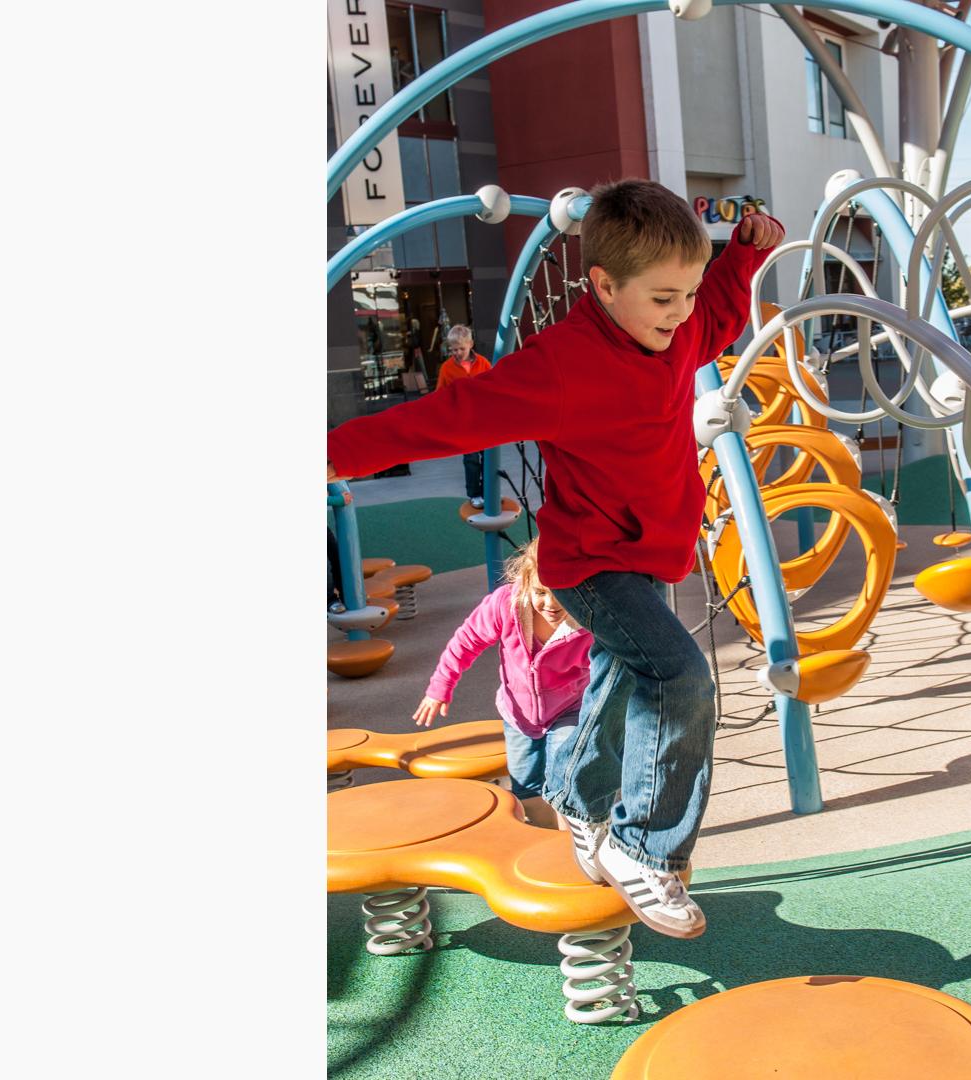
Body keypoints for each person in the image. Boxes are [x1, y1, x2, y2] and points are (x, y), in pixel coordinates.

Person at [329, 178, 785, 939]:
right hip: (587, 566)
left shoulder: (678, 329)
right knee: (679, 679)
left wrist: (739, 259)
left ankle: (577, 801)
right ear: (604, 286)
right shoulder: (562, 367)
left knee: (619, 681)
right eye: (663, 297)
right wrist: (335, 455)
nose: (679, 315)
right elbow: (447, 419)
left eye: (687, 292)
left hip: (651, 553)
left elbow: (718, 316)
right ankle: (643, 847)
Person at [413, 538, 590, 829]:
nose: (551, 603)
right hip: (517, 713)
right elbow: (465, 642)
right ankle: (540, 836)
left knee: (565, 769)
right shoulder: (505, 606)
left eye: (562, 592)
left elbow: (611, 666)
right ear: (525, 579)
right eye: (541, 592)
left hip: (570, 708)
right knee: (524, 781)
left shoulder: (586, 621)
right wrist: (440, 687)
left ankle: (572, 837)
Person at [433, 325, 493, 507]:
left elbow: (492, 386)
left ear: (471, 344)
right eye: (454, 349)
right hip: (463, 420)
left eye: (461, 349)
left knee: (489, 457)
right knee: (471, 458)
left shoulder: (483, 363)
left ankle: (488, 491)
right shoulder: (447, 369)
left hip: (482, 418)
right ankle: (474, 494)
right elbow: (440, 394)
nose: (458, 352)